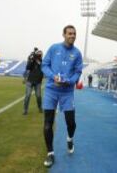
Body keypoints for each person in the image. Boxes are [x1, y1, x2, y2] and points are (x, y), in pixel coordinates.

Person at [41, 25, 83, 167]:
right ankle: (50, 154)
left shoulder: (77, 53)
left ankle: (70, 138)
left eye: (74, 34)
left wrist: (69, 81)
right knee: (48, 123)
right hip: (51, 90)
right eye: (70, 33)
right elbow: (44, 65)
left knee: (71, 123)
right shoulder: (54, 48)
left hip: (67, 92)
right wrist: (53, 77)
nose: (72, 36)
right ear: (63, 35)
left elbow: (78, 72)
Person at [22, 49, 44, 115]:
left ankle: (40, 107)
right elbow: (28, 67)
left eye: (40, 53)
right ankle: (25, 110)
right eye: (38, 53)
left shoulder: (42, 61)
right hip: (30, 81)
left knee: (38, 96)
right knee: (27, 95)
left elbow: (42, 66)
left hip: (38, 82)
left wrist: (37, 59)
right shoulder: (32, 60)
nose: (39, 54)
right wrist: (31, 59)